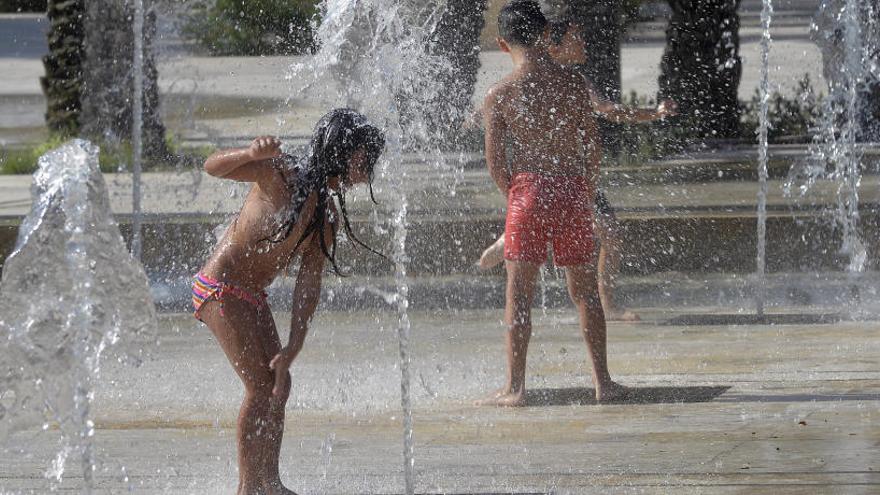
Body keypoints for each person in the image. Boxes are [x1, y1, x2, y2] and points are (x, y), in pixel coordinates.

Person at [192, 109, 385, 494]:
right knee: (260, 387)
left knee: (280, 382)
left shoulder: (324, 215)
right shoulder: (280, 173)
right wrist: (249, 155)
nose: (371, 165)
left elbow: (308, 283)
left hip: (251, 295)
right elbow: (212, 166)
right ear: (342, 151)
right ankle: (248, 488)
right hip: (220, 287)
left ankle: (270, 482)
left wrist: (294, 344)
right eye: (366, 156)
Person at [477, 14, 677, 322]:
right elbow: (607, 111)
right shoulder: (570, 81)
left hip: (549, 185)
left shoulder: (554, 78)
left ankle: (511, 240)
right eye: (575, 37)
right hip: (569, 183)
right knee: (608, 235)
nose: (583, 43)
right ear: (553, 46)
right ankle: (605, 305)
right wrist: (654, 114)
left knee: (604, 235)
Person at [476, 0, 623, 407]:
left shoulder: (499, 94)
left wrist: (518, 200)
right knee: (585, 292)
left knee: (519, 294)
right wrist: (585, 192)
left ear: (503, 45)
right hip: (573, 190)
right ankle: (604, 383)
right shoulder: (575, 86)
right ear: (545, 34)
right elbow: (592, 149)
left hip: (527, 193)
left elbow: (495, 165)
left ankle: (516, 388)